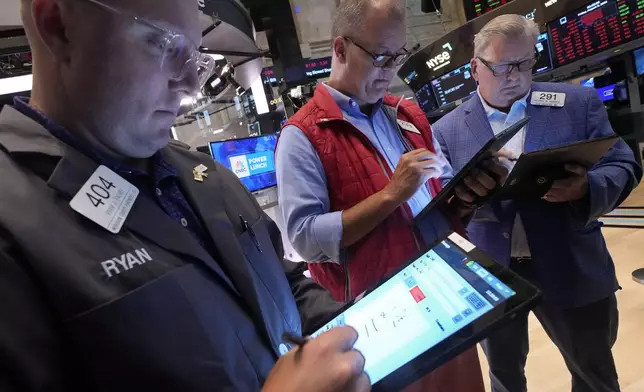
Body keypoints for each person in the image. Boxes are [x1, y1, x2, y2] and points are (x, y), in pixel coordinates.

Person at [0, 0, 372, 391]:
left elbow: (287, 287)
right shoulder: (13, 229)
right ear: (58, 25)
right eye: (163, 44)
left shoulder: (207, 175)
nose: (191, 83)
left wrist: (361, 336)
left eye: (194, 55)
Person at [276, 0, 509, 390]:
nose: (390, 72)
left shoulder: (409, 115)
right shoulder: (301, 137)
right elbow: (305, 239)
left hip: (444, 293)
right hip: (383, 321)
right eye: (380, 57)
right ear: (340, 49)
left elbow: (440, 200)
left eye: (398, 56)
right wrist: (390, 195)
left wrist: (470, 191)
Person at [432, 14, 643, 392]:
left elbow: (623, 162)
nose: (515, 76)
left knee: (595, 375)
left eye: (525, 63)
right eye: (502, 67)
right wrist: (462, 198)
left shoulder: (575, 103)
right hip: (492, 273)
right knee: (505, 378)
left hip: (572, 264)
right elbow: (441, 200)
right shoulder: (446, 130)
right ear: (475, 68)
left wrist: (587, 188)